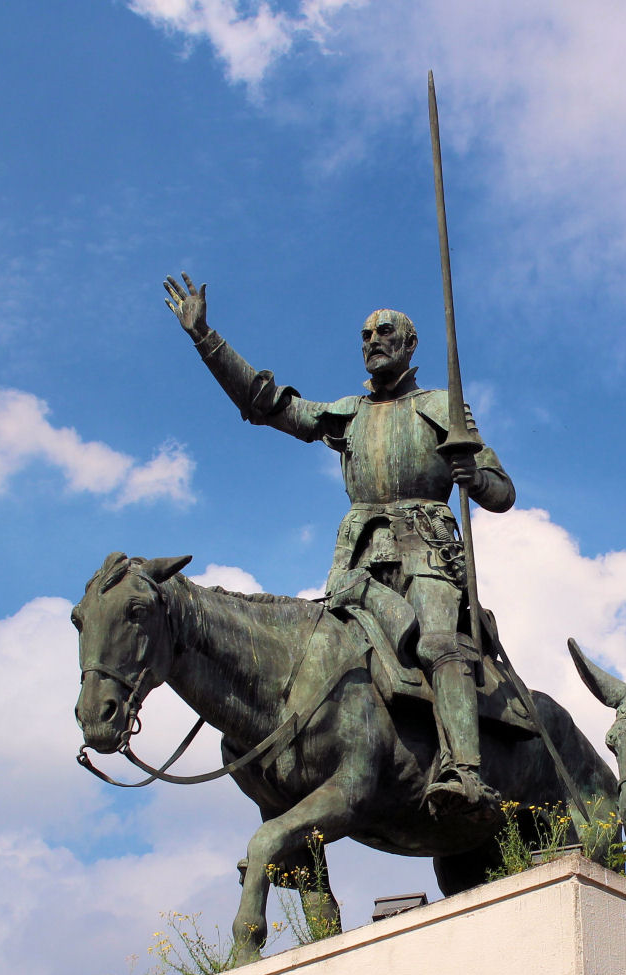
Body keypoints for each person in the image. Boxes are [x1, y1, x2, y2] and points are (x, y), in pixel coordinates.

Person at [162, 273, 512, 816]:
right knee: (315, 654)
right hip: (358, 563)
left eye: (385, 333)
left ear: (410, 344)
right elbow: (266, 403)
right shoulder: (349, 413)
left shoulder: (443, 406)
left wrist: (473, 475)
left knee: (439, 643)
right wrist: (205, 337)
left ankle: (464, 771)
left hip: (427, 553)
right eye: (366, 335)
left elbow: (502, 492)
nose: (373, 341)